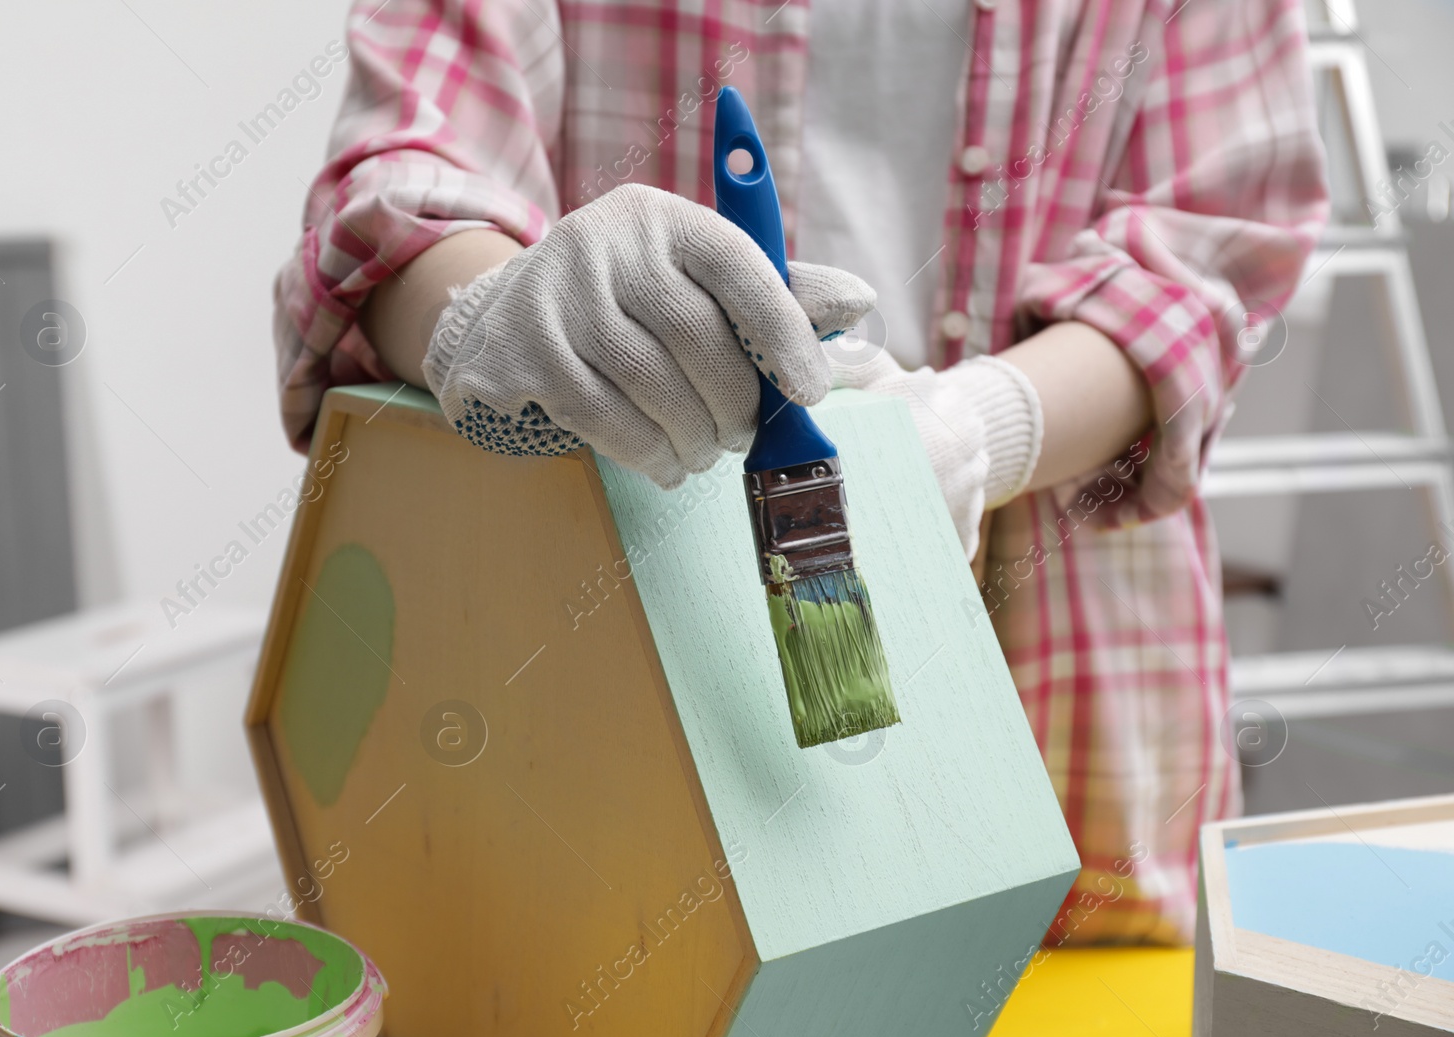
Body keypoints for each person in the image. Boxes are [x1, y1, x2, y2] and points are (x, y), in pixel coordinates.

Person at [274, 0, 1328, 944]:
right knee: (655, 961)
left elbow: (1207, 254)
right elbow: (400, 179)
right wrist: (484, 311)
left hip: (1069, 692)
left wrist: (970, 432)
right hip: (631, 649)